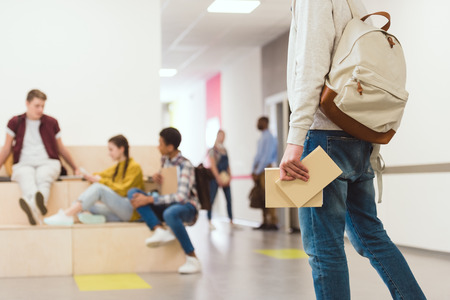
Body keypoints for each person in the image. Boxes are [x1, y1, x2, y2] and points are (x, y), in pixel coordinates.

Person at [279, 0, 426, 299]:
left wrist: (295, 140)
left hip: (322, 137)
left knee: (324, 248)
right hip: (357, 135)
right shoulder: (354, 3)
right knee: (370, 235)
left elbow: (310, 68)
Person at [0, 89, 80, 225]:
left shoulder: (51, 122)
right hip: (23, 163)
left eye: (43, 106)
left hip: (48, 162)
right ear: (27, 103)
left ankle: (31, 207)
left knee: (44, 177)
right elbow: (6, 148)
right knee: (26, 179)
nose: (40, 109)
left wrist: (75, 167)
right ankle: (37, 207)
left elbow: (61, 148)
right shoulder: (15, 122)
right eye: (37, 106)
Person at [127, 127, 201, 274]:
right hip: (169, 204)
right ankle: (158, 230)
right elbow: (167, 191)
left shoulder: (185, 165)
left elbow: (181, 197)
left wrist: (150, 199)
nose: (157, 146)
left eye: (160, 143)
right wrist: (158, 181)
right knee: (134, 193)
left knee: (169, 213)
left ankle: (192, 258)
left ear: (170, 147)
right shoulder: (165, 161)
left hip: (187, 207)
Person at [44, 135, 144, 226]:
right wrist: (90, 176)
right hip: (120, 214)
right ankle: (98, 219)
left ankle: (65, 215)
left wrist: (100, 181)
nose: (109, 154)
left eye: (111, 150)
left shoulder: (134, 167)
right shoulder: (117, 167)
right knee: (79, 204)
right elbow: (100, 175)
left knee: (98, 189)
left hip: (131, 210)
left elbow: (123, 190)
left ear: (121, 149)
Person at [251, 116, 278, 230]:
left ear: (265, 123)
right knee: (262, 195)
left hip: (266, 168)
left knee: (269, 194)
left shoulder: (269, 137)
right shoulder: (262, 138)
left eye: (259, 121)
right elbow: (258, 156)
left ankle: (272, 222)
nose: (257, 123)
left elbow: (266, 157)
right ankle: (264, 220)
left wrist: (257, 171)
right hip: (259, 170)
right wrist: (253, 170)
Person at [207, 129, 233, 230]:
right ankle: (209, 220)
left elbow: (228, 165)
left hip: (225, 177)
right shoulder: (212, 150)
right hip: (215, 178)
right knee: (211, 199)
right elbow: (213, 165)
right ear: (217, 136)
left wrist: (229, 177)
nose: (222, 138)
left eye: (224, 136)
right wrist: (218, 178)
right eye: (221, 136)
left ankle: (231, 220)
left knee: (229, 199)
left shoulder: (225, 150)